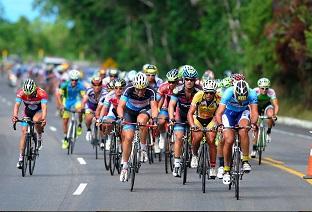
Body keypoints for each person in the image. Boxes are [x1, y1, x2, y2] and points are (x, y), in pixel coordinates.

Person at [117, 72, 158, 182]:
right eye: (138, 89)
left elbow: (154, 108)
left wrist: (154, 119)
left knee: (142, 121)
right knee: (128, 137)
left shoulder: (151, 91)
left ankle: (143, 148)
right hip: (129, 112)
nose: (140, 92)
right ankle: (125, 166)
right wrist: (121, 117)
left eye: (143, 89)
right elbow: (120, 106)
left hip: (144, 110)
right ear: (134, 86)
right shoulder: (128, 89)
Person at [215, 80, 258, 185]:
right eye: (238, 98)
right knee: (228, 140)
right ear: (235, 93)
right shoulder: (228, 93)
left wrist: (253, 123)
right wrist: (220, 125)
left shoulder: (252, 93)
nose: (240, 101)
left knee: (244, 131)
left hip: (243, 112)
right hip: (228, 113)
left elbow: (254, 112)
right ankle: (226, 169)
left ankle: (245, 161)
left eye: (243, 99)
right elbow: (219, 113)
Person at [168, 65, 201, 177]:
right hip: (180, 116)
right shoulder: (177, 90)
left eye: (192, 80)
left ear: (195, 81)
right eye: (187, 79)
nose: (189, 82)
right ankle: (177, 164)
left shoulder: (199, 90)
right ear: (183, 80)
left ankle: (194, 154)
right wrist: (171, 118)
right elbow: (171, 105)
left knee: (197, 136)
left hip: (195, 116)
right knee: (179, 137)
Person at [187, 79, 220, 178]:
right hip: (198, 119)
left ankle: (213, 168)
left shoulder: (219, 98)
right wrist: (192, 125)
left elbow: (220, 114)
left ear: (214, 93)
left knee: (211, 140)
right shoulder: (198, 96)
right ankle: (194, 155)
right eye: (207, 92)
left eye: (211, 93)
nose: (209, 95)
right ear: (204, 92)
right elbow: (190, 113)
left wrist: (216, 125)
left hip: (211, 120)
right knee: (197, 136)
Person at [12, 79, 48, 169]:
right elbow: (17, 105)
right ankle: (20, 159)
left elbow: (44, 108)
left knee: (36, 120)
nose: (28, 96)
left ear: (35, 90)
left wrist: (43, 118)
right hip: (27, 112)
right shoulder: (21, 92)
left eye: (31, 94)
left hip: (38, 111)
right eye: (27, 94)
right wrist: (15, 116)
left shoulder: (42, 93)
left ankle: (39, 137)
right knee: (24, 133)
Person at [56, 69, 86, 149]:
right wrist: (61, 105)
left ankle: (79, 124)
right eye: (72, 80)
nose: (74, 82)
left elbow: (84, 97)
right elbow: (58, 95)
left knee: (80, 109)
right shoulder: (65, 85)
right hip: (67, 101)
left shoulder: (81, 86)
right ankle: (65, 138)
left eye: (76, 80)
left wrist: (83, 106)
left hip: (76, 101)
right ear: (70, 79)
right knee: (65, 121)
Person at [251, 77, 279, 157]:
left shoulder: (271, 92)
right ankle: (254, 149)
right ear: (259, 87)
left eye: (266, 88)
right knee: (256, 128)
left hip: (267, 105)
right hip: (257, 106)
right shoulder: (254, 91)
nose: (264, 90)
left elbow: (276, 105)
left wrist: (274, 115)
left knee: (270, 115)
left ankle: (268, 132)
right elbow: (251, 105)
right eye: (262, 88)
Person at [156, 68, 180, 153]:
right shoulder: (164, 86)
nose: (171, 84)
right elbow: (156, 100)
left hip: (178, 109)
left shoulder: (182, 87)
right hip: (166, 108)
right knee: (161, 121)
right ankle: (162, 136)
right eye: (169, 81)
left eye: (173, 82)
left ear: (178, 81)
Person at [98, 78, 126, 149]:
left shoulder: (126, 95)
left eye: (121, 88)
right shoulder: (109, 95)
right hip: (113, 112)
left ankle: (121, 142)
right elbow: (105, 108)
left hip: (124, 113)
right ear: (114, 88)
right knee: (108, 123)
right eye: (116, 88)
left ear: (124, 88)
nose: (118, 90)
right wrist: (100, 118)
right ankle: (109, 139)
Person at [81, 76, 106, 142]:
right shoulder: (89, 91)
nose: (97, 87)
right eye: (95, 85)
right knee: (88, 118)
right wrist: (82, 107)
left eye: (99, 84)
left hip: (100, 107)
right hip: (91, 107)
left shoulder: (104, 92)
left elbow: (104, 105)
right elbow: (84, 100)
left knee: (102, 122)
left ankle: (103, 138)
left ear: (101, 85)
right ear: (92, 85)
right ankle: (88, 130)